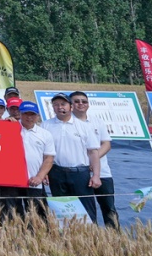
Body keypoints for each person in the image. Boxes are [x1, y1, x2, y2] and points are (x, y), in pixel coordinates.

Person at [43, 92, 102, 222]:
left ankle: (91, 233)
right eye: (56, 105)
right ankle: (66, 234)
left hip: (80, 173)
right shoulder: (46, 126)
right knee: (61, 210)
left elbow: (93, 152)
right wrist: (44, 172)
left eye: (63, 104)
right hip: (56, 172)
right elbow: (43, 153)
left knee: (86, 209)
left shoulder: (84, 126)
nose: (60, 107)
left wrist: (96, 175)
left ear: (71, 106)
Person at [71, 91, 118, 228]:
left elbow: (106, 144)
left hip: (102, 172)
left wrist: (94, 161)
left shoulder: (97, 121)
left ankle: (114, 234)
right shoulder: (67, 123)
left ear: (88, 104)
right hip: (79, 173)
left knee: (109, 207)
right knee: (85, 210)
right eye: (76, 101)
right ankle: (90, 236)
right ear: (70, 105)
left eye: (84, 101)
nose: (81, 104)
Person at [2, 101, 54, 220]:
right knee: (13, 215)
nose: (29, 117)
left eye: (32, 114)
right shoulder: (9, 128)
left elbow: (49, 158)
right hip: (11, 180)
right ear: (20, 114)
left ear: (38, 116)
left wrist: (40, 176)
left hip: (34, 181)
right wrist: (5, 123)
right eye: (26, 114)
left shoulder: (45, 134)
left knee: (37, 216)